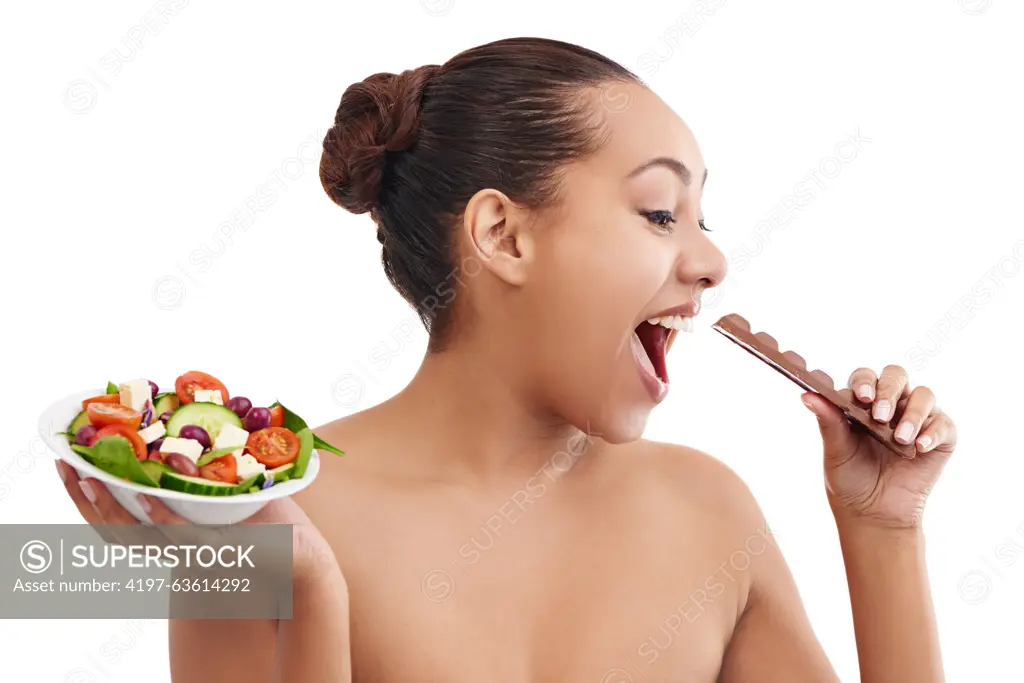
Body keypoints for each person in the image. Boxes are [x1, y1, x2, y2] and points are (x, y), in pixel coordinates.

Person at [58, 37, 958, 682]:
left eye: (700, 220)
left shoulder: (704, 511)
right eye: (658, 212)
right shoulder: (259, 522)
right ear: (503, 235)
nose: (711, 261)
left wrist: (882, 532)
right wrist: (313, 589)